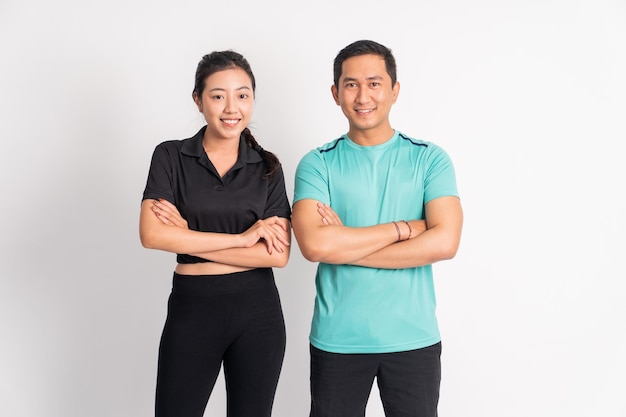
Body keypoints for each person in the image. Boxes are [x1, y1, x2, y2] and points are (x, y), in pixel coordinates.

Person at [291, 40, 463, 417]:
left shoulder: (429, 159)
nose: (363, 95)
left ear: (394, 90)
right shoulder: (316, 164)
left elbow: (445, 241)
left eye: (374, 82)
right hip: (338, 340)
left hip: (412, 338)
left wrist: (348, 244)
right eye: (351, 84)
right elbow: (316, 247)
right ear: (335, 93)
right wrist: (404, 228)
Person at [139, 50, 291, 417]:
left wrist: (189, 236)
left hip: (258, 311)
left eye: (242, 95)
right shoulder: (170, 157)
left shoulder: (268, 167)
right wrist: (242, 239)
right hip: (193, 308)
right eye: (217, 95)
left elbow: (278, 255)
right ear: (198, 99)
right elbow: (152, 235)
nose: (231, 107)